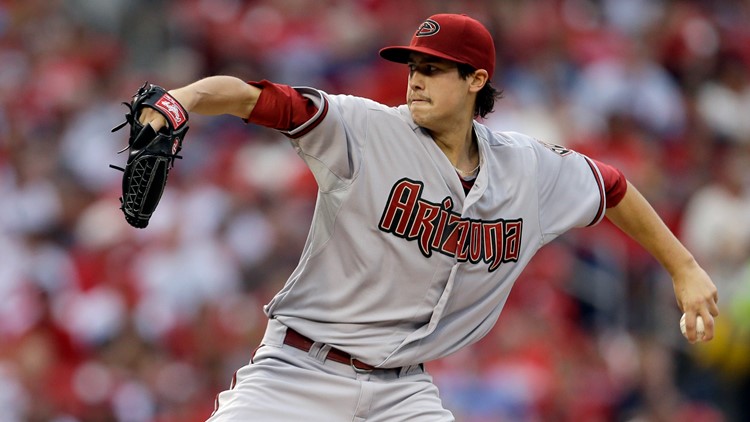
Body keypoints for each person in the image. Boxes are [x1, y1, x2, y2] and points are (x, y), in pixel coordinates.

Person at [137, 13, 719, 422]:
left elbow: (611, 187)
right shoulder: (364, 128)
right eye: (414, 63)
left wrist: (684, 268)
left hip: (401, 389)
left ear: (476, 81)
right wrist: (179, 101)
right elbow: (250, 97)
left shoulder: (527, 169)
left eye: (436, 68)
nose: (415, 76)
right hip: (298, 370)